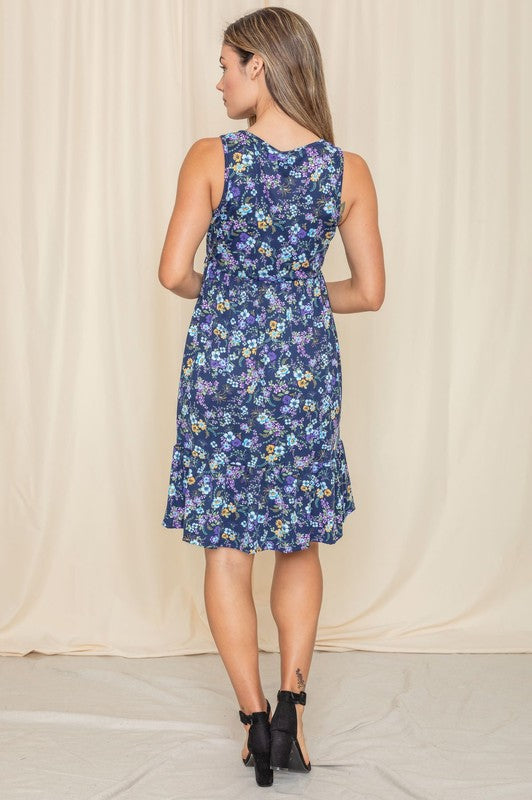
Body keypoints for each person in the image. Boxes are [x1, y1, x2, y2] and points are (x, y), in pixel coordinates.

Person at [158, 5, 385, 788]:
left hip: (224, 367)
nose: (218, 80)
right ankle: (293, 711)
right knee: (299, 539)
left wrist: (230, 296)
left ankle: (254, 723)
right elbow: (369, 291)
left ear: (261, 66)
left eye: (226, 64)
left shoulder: (210, 156)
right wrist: (292, 297)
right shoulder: (346, 169)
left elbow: (172, 273)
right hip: (303, 367)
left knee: (229, 547)